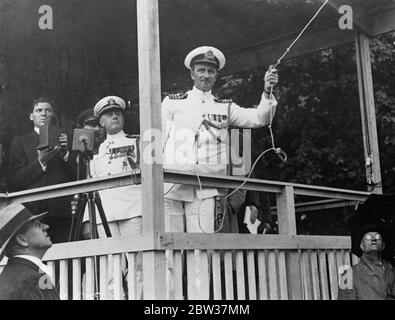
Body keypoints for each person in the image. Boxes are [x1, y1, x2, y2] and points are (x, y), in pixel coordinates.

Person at [162, 46, 278, 233]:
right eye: (201, 70)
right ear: (192, 74)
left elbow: (259, 117)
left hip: (207, 188)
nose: (205, 75)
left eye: (211, 71)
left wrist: (267, 92)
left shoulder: (225, 107)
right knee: (169, 248)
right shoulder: (172, 102)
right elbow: (158, 142)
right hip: (172, 186)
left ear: (216, 76)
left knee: (203, 248)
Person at [80, 96, 142, 299]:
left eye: (117, 113)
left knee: (137, 266)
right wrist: (88, 219)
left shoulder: (136, 142)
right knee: (110, 269)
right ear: (101, 122)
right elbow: (90, 185)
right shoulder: (94, 150)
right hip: (105, 213)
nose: (114, 116)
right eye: (108, 114)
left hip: (133, 210)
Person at [9, 97, 75, 243]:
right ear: (31, 116)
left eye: (48, 110)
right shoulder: (20, 141)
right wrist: (40, 162)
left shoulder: (65, 139)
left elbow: (77, 176)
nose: (44, 113)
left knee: (63, 257)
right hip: (32, 213)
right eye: (39, 110)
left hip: (61, 211)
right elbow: (16, 181)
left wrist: (66, 155)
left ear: (53, 115)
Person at [0, 203, 59, 300]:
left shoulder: (12, 276)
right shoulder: (30, 278)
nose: (46, 226)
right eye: (37, 225)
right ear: (22, 240)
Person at [338, 227, 395, 300]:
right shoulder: (347, 275)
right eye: (368, 237)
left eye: (378, 237)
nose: (374, 239)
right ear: (362, 246)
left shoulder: (391, 271)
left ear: (383, 245)